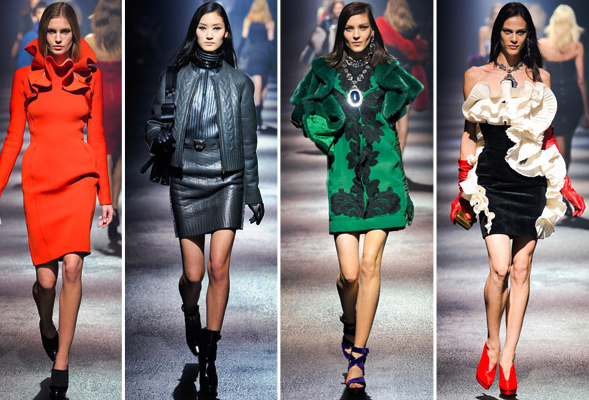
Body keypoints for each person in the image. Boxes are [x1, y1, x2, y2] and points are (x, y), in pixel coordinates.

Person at [0, 3, 112, 399]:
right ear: (42, 34)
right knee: (45, 280)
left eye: (65, 32)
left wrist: (105, 194)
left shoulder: (90, 74)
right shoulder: (24, 77)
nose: (58, 38)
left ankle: (62, 359)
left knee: (73, 268)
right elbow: (13, 138)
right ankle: (47, 324)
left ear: (75, 35)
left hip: (79, 179)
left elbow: (97, 136)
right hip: (39, 182)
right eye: (51, 31)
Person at [449, 2, 585, 397]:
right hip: (493, 180)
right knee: (499, 268)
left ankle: (508, 357)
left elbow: (546, 137)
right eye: (507, 31)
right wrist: (463, 184)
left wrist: (564, 183)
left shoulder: (541, 77)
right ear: (498, 33)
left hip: (530, 182)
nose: (513, 38)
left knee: (521, 269)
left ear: (528, 35)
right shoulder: (475, 76)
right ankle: (492, 343)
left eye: (520, 32)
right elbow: (469, 133)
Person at [290, 1, 422, 392]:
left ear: (372, 30)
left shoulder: (389, 69)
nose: (357, 34)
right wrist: (326, 137)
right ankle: (350, 320)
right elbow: (303, 111)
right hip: (345, 177)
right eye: (350, 28)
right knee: (349, 275)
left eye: (363, 27)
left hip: (383, 176)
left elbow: (401, 121)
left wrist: (398, 166)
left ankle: (357, 359)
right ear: (341, 31)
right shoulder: (325, 69)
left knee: (368, 266)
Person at [144, 2, 264, 397]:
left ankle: (210, 354)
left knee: (218, 266)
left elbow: (248, 142)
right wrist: (158, 137)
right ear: (194, 32)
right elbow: (152, 122)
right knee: (193, 275)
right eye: (203, 28)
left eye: (216, 28)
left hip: (227, 178)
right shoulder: (173, 77)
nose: (209, 35)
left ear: (226, 33)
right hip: (186, 178)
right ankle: (190, 310)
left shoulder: (241, 83)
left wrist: (252, 191)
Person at [84, 0, 122, 243]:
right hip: (121, 98)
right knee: (120, 156)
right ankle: (115, 206)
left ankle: (107, 203)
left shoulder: (89, 42)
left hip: (100, 100)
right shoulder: (123, 41)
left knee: (105, 155)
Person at [539, 4, 589, 175]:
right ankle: (562, 179)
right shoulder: (576, 46)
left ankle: (559, 182)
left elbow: (538, 75)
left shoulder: (542, 44)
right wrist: (587, 111)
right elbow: (581, 80)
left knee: (559, 142)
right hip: (573, 97)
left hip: (553, 97)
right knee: (567, 142)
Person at [375, 0, 428, 150]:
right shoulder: (413, 29)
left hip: (388, 73)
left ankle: (390, 152)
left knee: (388, 116)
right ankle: (399, 155)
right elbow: (419, 54)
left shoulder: (382, 25)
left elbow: (380, 52)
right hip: (407, 74)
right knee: (403, 118)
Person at [241, 0, 274, 130]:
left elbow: (244, 39)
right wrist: (273, 61)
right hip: (265, 54)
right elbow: (271, 43)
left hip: (254, 54)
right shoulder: (269, 22)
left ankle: (257, 118)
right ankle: (259, 117)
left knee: (257, 86)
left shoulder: (248, 20)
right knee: (264, 85)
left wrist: (237, 53)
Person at [301, 0, 344, 64]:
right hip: (327, 56)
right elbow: (316, 40)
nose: (338, 10)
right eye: (335, 8)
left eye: (340, 8)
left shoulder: (346, 21)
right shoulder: (327, 22)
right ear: (332, 9)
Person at [16, 1, 47, 69]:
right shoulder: (28, 37)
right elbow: (24, 65)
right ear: (34, 16)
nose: (43, 15)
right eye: (39, 13)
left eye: (45, 12)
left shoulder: (56, 35)